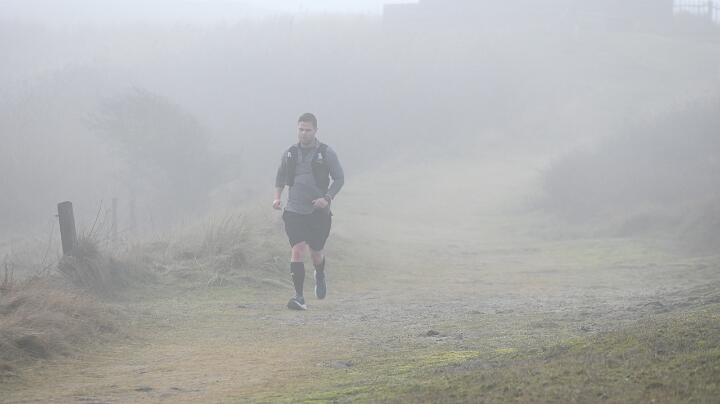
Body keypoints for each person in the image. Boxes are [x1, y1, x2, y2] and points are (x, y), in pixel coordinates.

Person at [273, 113, 344, 310]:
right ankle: (299, 297)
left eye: (308, 130)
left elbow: (339, 179)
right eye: (300, 129)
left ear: (315, 131)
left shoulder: (326, 152)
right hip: (294, 210)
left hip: (318, 212)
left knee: (316, 254)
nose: (303, 133)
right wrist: (277, 198)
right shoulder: (290, 153)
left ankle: (319, 274)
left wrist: (327, 198)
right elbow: (280, 177)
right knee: (297, 249)